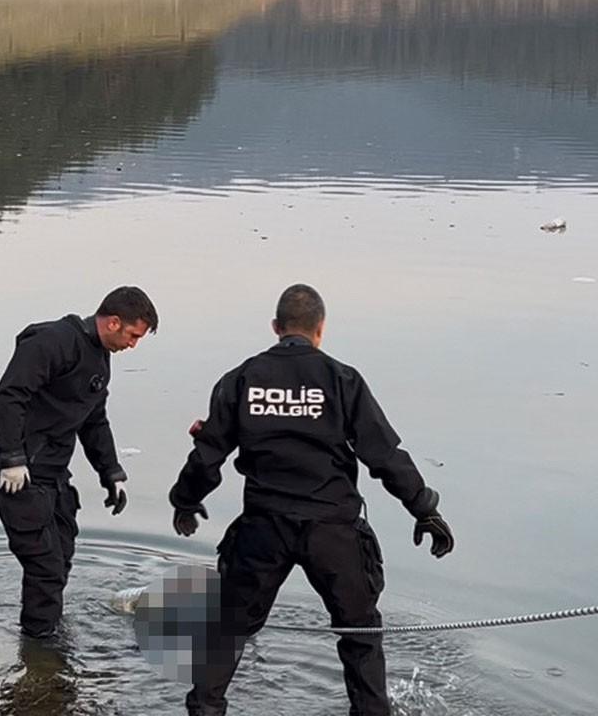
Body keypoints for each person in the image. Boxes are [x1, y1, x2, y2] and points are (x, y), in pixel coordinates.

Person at [169, 284, 454, 716]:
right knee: (360, 636)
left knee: (228, 631)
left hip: (264, 528)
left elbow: (209, 453)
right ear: (320, 331)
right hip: (333, 531)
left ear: (275, 327)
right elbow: (383, 454)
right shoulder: (342, 379)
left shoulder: (242, 378)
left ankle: (204, 711)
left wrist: (186, 501)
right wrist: (424, 508)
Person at [0, 286, 158, 639]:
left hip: (53, 472)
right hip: (19, 472)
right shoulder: (52, 343)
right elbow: (9, 396)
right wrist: (12, 457)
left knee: (61, 554)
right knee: (44, 566)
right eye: (132, 335)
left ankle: (47, 629)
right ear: (113, 322)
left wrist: (111, 472)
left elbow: (94, 419)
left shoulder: (99, 358)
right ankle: (40, 648)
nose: (133, 345)